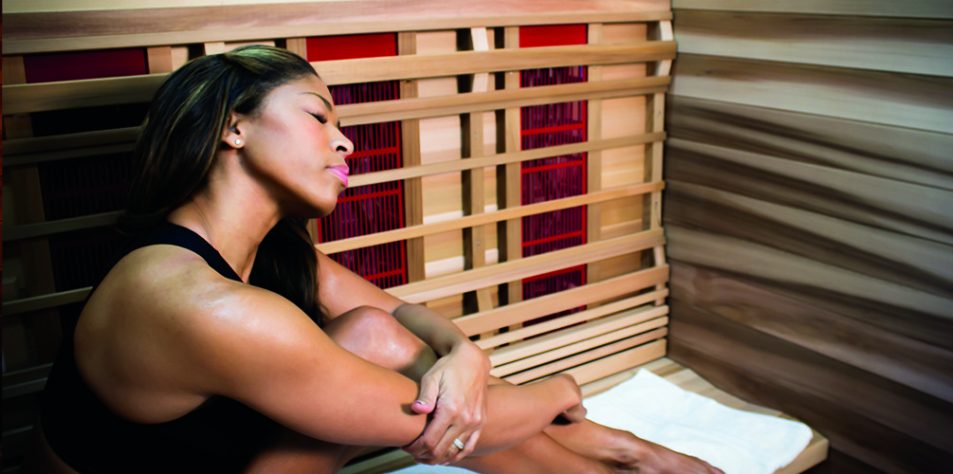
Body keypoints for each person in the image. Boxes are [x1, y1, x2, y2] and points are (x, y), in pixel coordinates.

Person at [34, 45, 723, 474]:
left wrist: (467, 354)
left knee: (371, 334)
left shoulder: (261, 257)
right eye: (317, 117)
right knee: (419, 390)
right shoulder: (199, 303)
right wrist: (565, 393)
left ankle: (617, 460)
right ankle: (621, 461)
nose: (346, 145)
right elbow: (441, 427)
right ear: (232, 127)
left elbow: (399, 318)